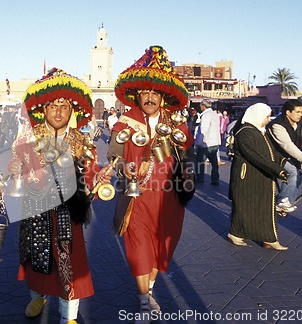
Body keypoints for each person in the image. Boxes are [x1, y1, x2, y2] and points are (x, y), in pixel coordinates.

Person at [9, 68, 113, 324]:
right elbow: (15, 178)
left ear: (72, 111)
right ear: (43, 110)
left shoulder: (82, 142)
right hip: (35, 210)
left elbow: (89, 181)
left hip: (69, 214)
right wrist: (14, 171)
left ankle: (69, 317)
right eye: (53, 106)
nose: (58, 112)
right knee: (35, 258)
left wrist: (98, 180)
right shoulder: (28, 139)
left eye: (64, 107)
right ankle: (37, 296)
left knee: (71, 264)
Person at [107, 45, 195, 323]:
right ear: (137, 95)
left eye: (154, 93)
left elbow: (187, 154)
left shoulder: (176, 125)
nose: (149, 97)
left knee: (161, 246)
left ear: (162, 96)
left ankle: (150, 289)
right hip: (138, 196)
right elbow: (113, 156)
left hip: (169, 197)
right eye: (145, 92)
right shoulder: (125, 123)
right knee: (139, 245)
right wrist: (126, 167)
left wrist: (190, 175)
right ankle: (144, 298)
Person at [228, 103, 290, 250]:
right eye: (267, 116)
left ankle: (268, 238)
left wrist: (284, 162)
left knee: (262, 207)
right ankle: (237, 234)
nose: (268, 120)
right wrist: (277, 170)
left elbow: (271, 152)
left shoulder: (259, 131)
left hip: (260, 175)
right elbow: (254, 155)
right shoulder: (245, 132)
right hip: (247, 177)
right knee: (245, 207)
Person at [195, 99, 221, 185]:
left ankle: (199, 178)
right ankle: (215, 179)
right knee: (214, 162)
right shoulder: (214, 114)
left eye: (200, 105)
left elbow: (203, 130)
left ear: (203, 106)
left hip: (206, 143)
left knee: (200, 162)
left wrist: (198, 142)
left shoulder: (206, 115)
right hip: (215, 142)